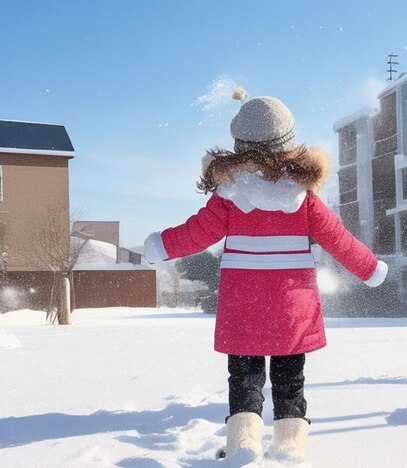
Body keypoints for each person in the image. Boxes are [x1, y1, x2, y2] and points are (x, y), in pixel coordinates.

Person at [143, 89, 388, 463]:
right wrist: (370, 268)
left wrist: (159, 246)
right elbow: (338, 239)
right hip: (293, 311)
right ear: (289, 144)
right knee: (290, 381)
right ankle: (289, 446)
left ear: (239, 146)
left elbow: (196, 233)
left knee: (244, 381)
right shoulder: (303, 198)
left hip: (243, 309)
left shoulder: (228, 197)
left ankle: (243, 443)